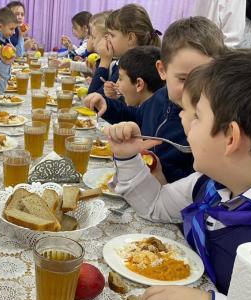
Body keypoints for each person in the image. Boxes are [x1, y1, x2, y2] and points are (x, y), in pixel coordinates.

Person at [103, 46, 251, 300]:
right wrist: (127, 157)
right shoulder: (210, 183)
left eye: (197, 116)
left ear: (231, 138)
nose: (184, 121)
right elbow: (156, 205)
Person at [85, 17, 227, 183]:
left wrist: (161, 176)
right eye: (183, 79)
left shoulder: (207, 124)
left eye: (204, 79)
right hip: (143, 183)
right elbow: (137, 116)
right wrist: (107, 106)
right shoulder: (160, 96)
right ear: (162, 70)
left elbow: (199, 181)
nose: (193, 89)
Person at [89, 4, 161, 96]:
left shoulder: (133, 68)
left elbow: (92, 102)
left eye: (112, 35)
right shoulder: (127, 62)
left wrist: (104, 62)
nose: (107, 38)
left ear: (131, 38)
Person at [68, 11, 112, 76]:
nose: (90, 40)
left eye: (93, 37)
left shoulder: (109, 62)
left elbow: (72, 56)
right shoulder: (101, 58)